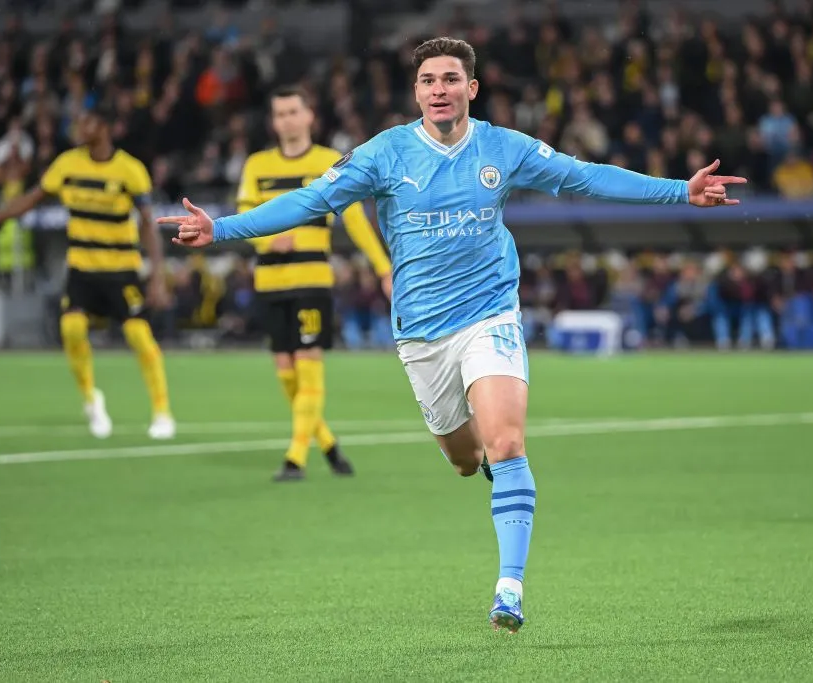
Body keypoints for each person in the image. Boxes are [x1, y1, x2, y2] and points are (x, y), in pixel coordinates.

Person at [159, 37, 746, 633]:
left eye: (449, 79)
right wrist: (222, 228)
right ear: (416, 93)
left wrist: (680, 190)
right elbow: (313, 199)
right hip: (421, 336)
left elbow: (581, 177)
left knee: (508, 444)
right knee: (466, 459)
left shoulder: (502, 147)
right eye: (428, 81)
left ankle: (509, 590)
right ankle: (482, 461)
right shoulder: (384, 154)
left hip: (490, 314)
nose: (438, 89)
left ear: (472, 88)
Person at [0, 104, 175, 440]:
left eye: (88, 122)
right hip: (82, 267)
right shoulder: (67, 164)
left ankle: (162, 412)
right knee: (71, 329)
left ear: (105, 127)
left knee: (139, 337)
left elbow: (147, 225)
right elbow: (30, 199)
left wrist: (157, 276)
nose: (80, 128)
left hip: (121, 270)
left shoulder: (130, 170)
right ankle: (91, 400)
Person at [238, 85, 393, 482]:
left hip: (311, 281)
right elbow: (243, 219)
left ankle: (295, 458)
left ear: (310, 116)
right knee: (286, 372)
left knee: (308, 367)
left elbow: (356, 220)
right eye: (279, 114)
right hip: (270, 281)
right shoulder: (256, 164)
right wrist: (270, 238)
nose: (285, 120)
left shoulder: (330, 162)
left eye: (293, 112)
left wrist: (383, 268)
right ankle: (326, 444)